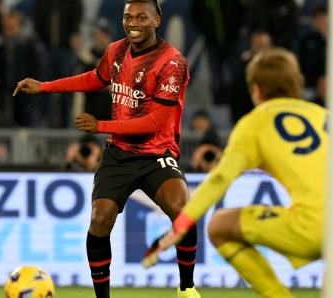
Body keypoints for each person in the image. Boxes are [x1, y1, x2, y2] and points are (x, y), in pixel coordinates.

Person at [142, 49, 333, 298]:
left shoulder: (255, 123)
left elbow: (219, 178)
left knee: (220, 226)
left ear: (256, 90)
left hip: (322, 222)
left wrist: (181, 225)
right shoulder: (323, 114)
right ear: (299, 84)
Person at [12, 1, 201, 297]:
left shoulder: (172, 63)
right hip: (119, 154)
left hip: (157, 153)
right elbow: (95, 78)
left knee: (183, 211)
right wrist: (45, 86)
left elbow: (154, 122)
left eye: (142, 16)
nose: (133, 22)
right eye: (128, 17)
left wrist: (100, 126)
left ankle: (187, 288)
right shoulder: (116, 50)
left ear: (157, 19)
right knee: (100, 220)